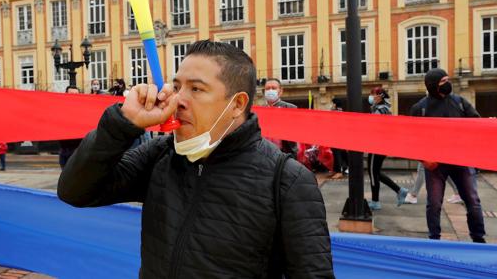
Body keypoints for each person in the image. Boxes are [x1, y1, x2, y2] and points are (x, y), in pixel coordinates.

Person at [58, 40, 334, 278]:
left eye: (196, 89)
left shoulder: (286, 180)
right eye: (177, 86)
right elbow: (75, 191)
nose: (178, 100)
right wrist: (120, 125)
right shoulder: (163, 155)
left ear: (237, 104)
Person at [410, 68, 486, 243]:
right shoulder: (419, 108)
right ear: (432, 86)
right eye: (443, 81)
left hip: (462, 161)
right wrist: (423, 159)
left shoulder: (460, 103)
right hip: (435, 165)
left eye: (447, 80)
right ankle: (434, 239)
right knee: (434, 204)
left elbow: (478, 126)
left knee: (473, 201)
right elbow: (411, 138)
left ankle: (478, 238)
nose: (448, 84)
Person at [367, 87, 408, 210]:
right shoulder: (385, 109)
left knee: (372, 173)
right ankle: (400, 190)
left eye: (373, 94)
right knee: (376, 172)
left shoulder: (380, 110)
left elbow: (375, 129)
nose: (371, 97)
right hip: (382, 145)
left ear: (380, 96)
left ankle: (375, 201)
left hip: (376, 145)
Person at [263, 78, 299, 158]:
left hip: (285, 154)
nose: (270, 90)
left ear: (280, 91)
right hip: (264, 155)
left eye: (273, 88)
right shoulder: (259, 111)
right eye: (267, 88)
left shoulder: (291, 108)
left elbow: (296, 131)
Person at [58, 86, 83, 170]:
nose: (74, 96)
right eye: (71, 94)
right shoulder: (61, 109)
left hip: (81, 150)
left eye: (76, 94)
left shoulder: (84, 109)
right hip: (66, 150)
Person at [330, 98, 348, 179]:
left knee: (337, 154)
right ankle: (337, 169)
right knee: (341, 154)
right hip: (339, 137)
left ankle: (338, 171)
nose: (331, 105)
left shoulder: (336, 113)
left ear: (335, 104)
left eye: (332, 103)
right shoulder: (340, 112)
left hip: (337, 137)